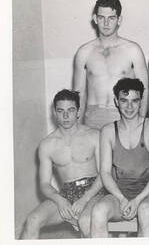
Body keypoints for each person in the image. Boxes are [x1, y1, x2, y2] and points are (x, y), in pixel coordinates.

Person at [21, 89, 104, 239]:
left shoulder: (94, 135)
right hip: (66, 193)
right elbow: (45, 184)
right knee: (32, 221)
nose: (65, 116)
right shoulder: (47, 145)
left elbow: (104, 175)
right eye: (61, 111)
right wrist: (60, 201)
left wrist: (85, 199)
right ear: (55, 113)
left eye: (71, 110)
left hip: (94, 191)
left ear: (78, 112)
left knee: (86, 222)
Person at [90, 78, 149, 237]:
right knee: (98, 211)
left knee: (145, 211)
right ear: (116, 102)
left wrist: (138, 200)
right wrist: (122, 199)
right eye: (124, 101)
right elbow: (105, 172)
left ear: (141, 102)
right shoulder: (108, 131)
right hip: (120, 192)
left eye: (134, 101)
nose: (130, 106)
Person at [73, 0, 149, 130]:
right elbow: (79, 94)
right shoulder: (84, 52)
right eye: (102, 18)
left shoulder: (132, 50)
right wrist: (77, 130)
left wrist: (140, 125)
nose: (106, 23)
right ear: (95, 19)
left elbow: (144, 90)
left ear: (119, 20)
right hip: (93, 116)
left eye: (111, 18)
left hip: (124, 115)